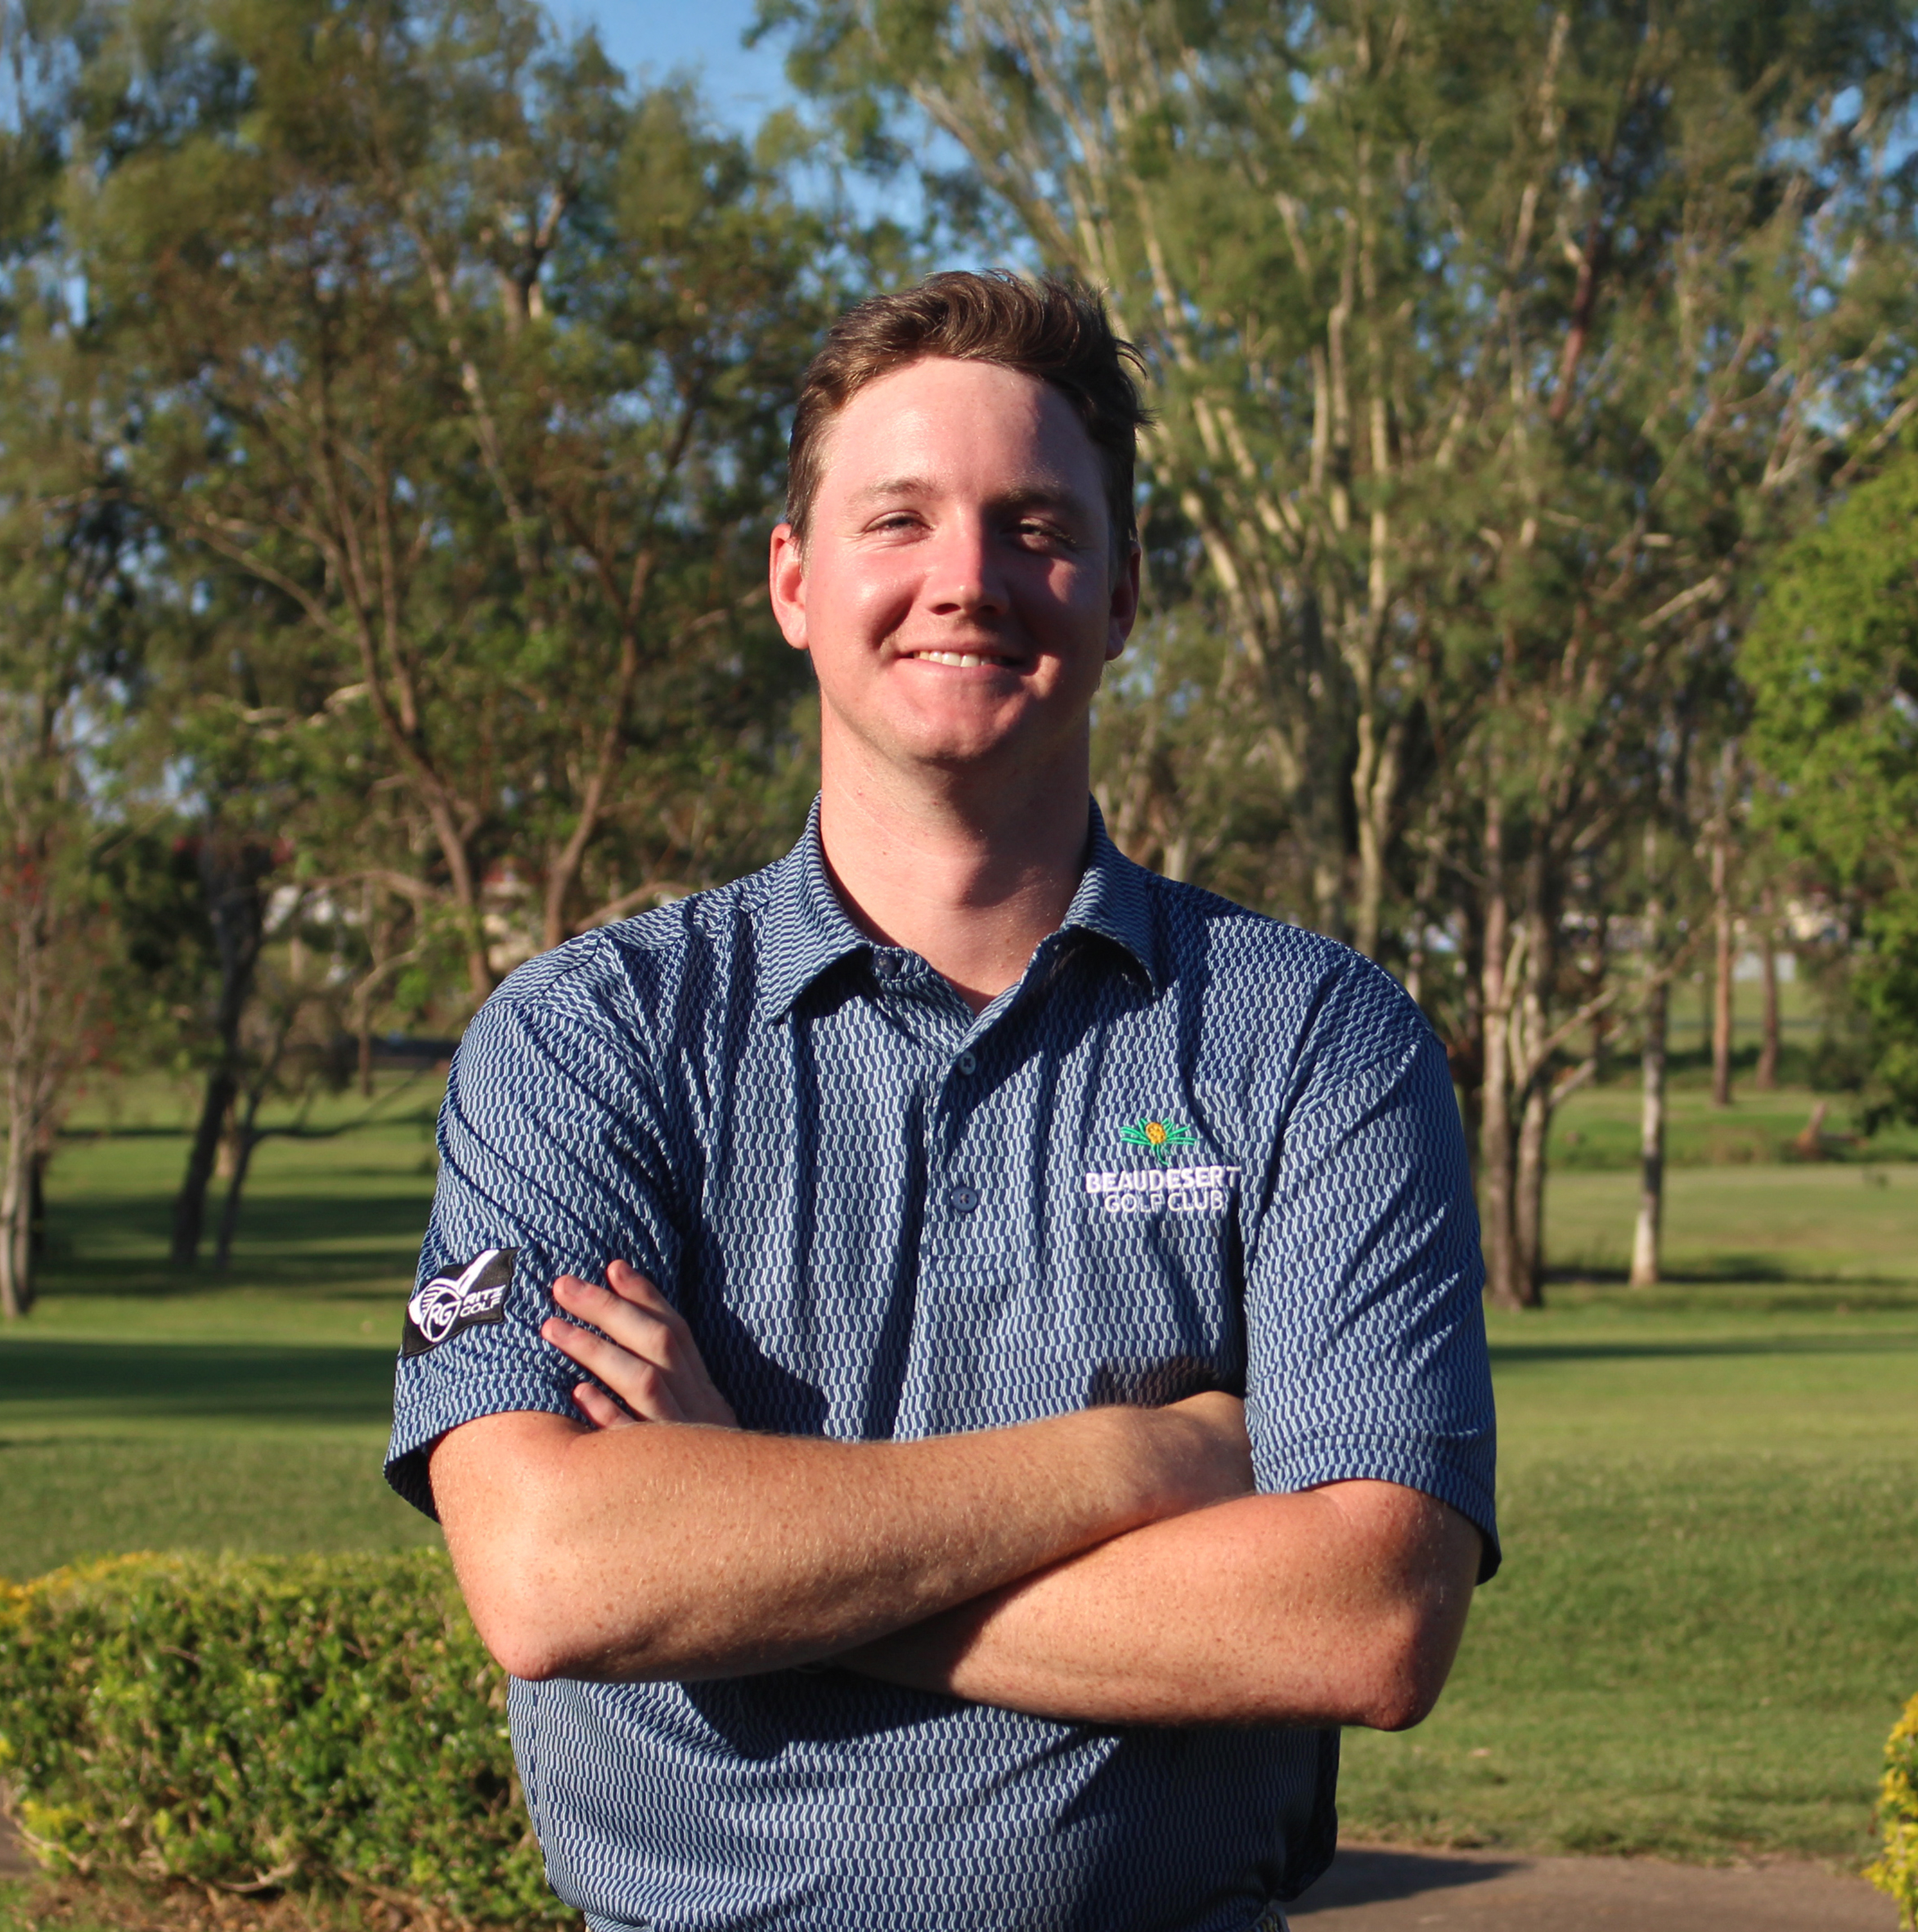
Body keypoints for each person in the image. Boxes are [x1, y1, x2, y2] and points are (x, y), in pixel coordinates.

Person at [384, 271, 1497, 1932]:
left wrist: (740, 1532)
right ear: (794, 580)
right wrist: (1140, 1457)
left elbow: (1364, 1618)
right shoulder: (586, 1038)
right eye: (897, 519)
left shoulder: (1315, 1038)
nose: (965, 577)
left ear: (1121, 591)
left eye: (1034, 527)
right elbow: (556, 1574)